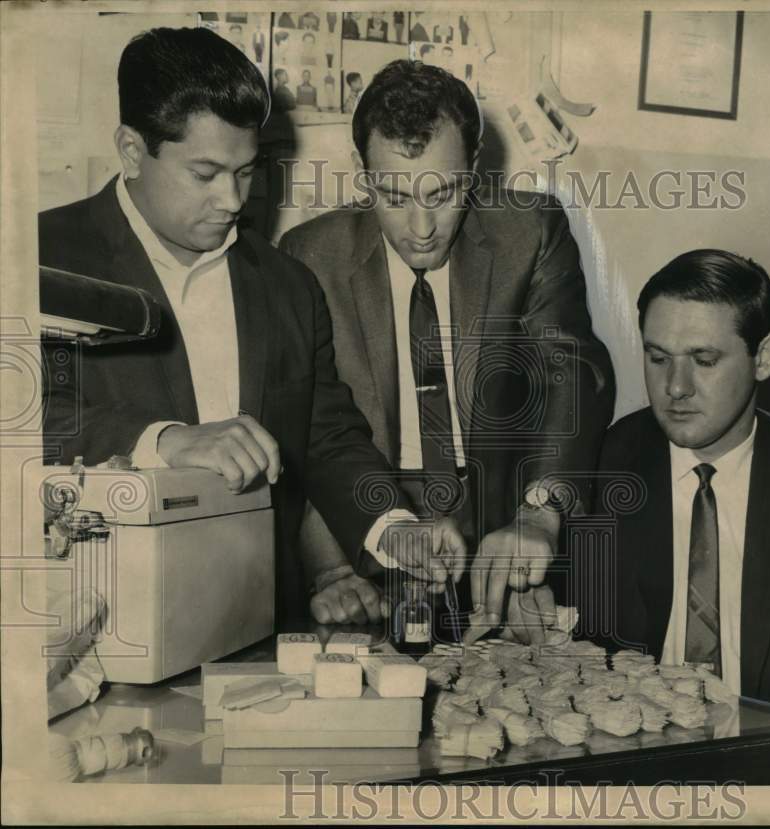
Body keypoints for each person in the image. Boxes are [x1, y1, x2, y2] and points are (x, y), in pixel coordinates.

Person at [38, 27, 466, 626]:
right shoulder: (37, 257)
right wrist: (161, 441)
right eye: (206, 173)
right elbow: (22, 413)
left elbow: (326, 435)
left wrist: (392, 528)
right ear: (132, 150)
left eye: (246, 172)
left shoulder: (288, 283)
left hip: (259, 621)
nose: (233, 200)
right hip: (95, 617)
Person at [280, 60, 615, 640]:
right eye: (393, 194)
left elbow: (572, 372)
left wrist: (539, 513)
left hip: (504, 525)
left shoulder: (530, 231)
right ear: (362, 173)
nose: (422, 226)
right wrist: (331, 568)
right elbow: (311, 426)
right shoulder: (309, 256)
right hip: (361, 527)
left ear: (475, 165)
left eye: (444, 192)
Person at [587, 249, 770, 783]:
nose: (675, 387)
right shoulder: (596, 470)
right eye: (657, 357)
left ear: (764, 357)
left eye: (704, 359)